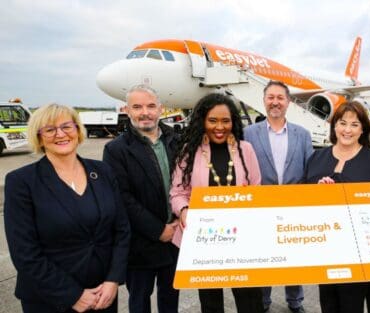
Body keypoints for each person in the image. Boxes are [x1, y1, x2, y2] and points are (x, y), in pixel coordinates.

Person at [4, 103, 130, 313]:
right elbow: (24, 252)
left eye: (67, 127)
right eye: (50, 129)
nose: (60, 134)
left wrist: (113, 280)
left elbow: (122, 229)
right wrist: (73, 295)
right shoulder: (21, 182)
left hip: (102, 294)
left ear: (78, 130)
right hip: (50, 299)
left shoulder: (103, 171)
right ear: (39, 136)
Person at [170, 93, 264, 313]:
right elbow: (177, 192)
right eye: (213, 120)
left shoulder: (246, 150)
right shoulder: (189, 152)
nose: (219, 127)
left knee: (250, 300)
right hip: (205, 239)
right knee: (211, 303)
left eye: (225, 120)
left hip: (242, 239)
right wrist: (183, 210)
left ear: (233, 121)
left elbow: (256, 189)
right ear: (202, 120)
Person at [303, 101, 370, 313]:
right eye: (342, 123)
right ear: (334, 126)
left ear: (363, 130)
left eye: (354, 124)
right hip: (325, 247)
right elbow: (302, 199)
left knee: (352, 303)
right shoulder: (317, 157)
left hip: (357, 250)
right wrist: (318, 191)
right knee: (328, 302)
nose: (347, 130)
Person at [103, 85, 180, 313]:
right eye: (137, 107)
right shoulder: (116, 150)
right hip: (140, 243)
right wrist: (159, 229)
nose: (144, 112)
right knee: (139, 301)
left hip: (175, 238)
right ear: (126, 110)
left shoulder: (177, 141)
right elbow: (122, 198)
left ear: (161, 109)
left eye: (150, 106)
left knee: (170, 299)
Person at [244, 80, 312, 313]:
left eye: (280, 98)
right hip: (261, 207)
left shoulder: (303, 135)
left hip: (293, 206)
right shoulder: (248, 133)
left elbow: (309, 169)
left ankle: (296, 302)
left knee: (293, 257)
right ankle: (263, 302)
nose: (275, 102)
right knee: (263, 256)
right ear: (264, 101)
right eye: (270, 97)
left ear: (288, 102)